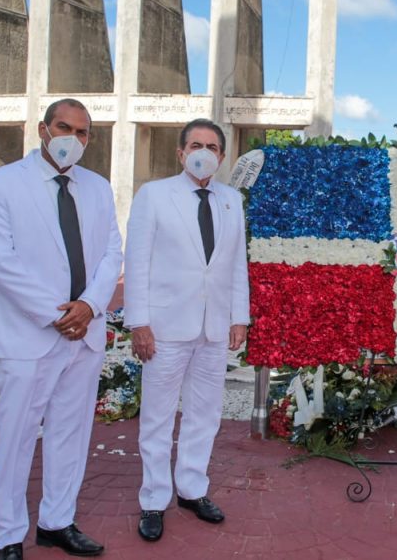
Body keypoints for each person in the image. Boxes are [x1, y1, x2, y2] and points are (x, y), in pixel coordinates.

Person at [0, 99, 123, 560]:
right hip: (28, 336)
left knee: (71, 433)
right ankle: (8, 536)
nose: (72, 139)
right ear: (43, 129)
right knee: (17, 437)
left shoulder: (99, 188)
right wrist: (59, 314)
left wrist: (90, 305)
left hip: (86, 333)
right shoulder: (1, 184)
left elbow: (111, 254)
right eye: (64, 127)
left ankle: (57, 521)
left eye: (82, 133)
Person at [124, 118, 250, 543]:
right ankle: (154, 498)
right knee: (158, 417)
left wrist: (239, 316)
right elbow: (136, 261)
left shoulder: (232, 200)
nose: (204, 151)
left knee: (205, 414)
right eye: (196, 144)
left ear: (221, 156)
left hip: (213, 327)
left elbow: (235, 265)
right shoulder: (154, 195)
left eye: (212, 146)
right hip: (164, 327)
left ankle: (192, 489)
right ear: (180, 153)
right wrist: (138, 321)